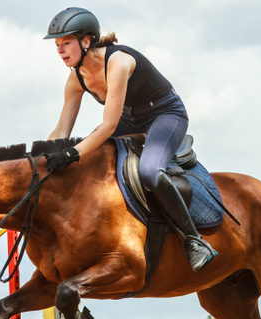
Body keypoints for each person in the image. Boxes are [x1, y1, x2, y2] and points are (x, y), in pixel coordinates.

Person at [42, 7, 216, 273]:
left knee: (148, 172)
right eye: (57, 45)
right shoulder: (76, 78)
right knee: (91, 161)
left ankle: (194, 241)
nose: (60, 50)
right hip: (131, 119)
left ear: (86, 41)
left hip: (165, 114)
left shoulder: (118, 63)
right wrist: (42, 158)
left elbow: (108, 125)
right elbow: (61, 131)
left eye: (66, 42)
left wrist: (72, 154)